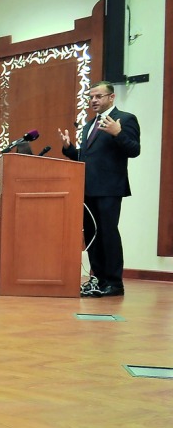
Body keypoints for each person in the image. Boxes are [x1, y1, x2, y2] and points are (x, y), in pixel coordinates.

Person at [59, 81, 142, 298]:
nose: (94, 100)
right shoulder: (88, 125)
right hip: (87, 191)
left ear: (111, 97)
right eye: (91, 97)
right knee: (93, 237)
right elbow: (87, 158)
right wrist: (69, 150)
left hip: (109, 189)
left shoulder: (125, 119)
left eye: (99, 96)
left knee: (108, 234)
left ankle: (114, 283)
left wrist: (118, 133)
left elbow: (134, 150)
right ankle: (98, 280)